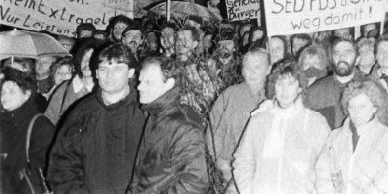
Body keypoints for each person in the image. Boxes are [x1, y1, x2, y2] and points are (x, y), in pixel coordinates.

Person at [48, 43, 146, 194]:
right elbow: (62, 164)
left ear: (131, 72)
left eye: (117, 69)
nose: (109, 75)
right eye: (103, 69)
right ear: (97, 74)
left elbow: (156, 165)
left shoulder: (145, 112)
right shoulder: (82, 112)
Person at [232, 59, 330, 194]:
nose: (284, 90)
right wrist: (249, 190)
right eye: (279, 84)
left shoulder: (316, 122)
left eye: (290, 84)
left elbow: (328, 166)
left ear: (300, 87)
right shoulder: (258, 120)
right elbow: (243, 161)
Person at [130, 54, 209, 193]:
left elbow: (195, 183)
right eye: (140, 81)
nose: (139, 87)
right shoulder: (156, 114)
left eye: (148, 82)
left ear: (169, 84)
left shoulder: (183, 125)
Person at [315, 80, 388, 194]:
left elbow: (386, 183)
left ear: (374, 107)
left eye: (362, 106)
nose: (356, 112)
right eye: (352, 106)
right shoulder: (335, 136)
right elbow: (322, 171)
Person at [206, 48, 270, 187]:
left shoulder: (275, 96)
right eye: (247, 67)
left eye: (257, 67)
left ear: (268, 69)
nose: (251, 72)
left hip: (264, 173)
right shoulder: (230, 95)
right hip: (230, 171)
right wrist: (220, 163)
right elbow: (214, 129)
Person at [1, 67, 55, 194]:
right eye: (2, 91)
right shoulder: (3, 123)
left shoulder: (39, 125)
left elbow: (48, 170)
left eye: (11, 90)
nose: (5, 95)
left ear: (27, 93)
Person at [308, 37, 368, 129]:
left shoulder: (371, 88)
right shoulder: (315, 91)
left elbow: (386, 126)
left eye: (347, 53)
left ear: (357, 60)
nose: (341, 57)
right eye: (337, 53)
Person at [44, 37, 100, 125]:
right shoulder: (65, 87)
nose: (86, 64)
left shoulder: (103, 90)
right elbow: (49, 119)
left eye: (91, 60)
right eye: (84, 59)